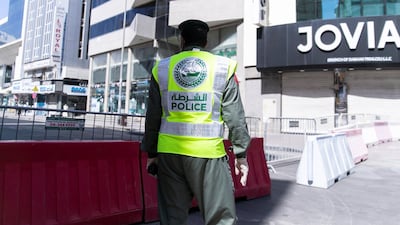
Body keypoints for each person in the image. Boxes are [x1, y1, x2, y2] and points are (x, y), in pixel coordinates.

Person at [141, 19, 251, 225]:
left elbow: (153, 116)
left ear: (182, 40)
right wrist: (241, 155)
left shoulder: (161, 69)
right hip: (208, 154)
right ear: (206, 41)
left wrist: (152, 153)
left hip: (170, 155)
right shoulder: (222, 67)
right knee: (220, 219)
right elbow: (235, 117)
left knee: (173, 219)